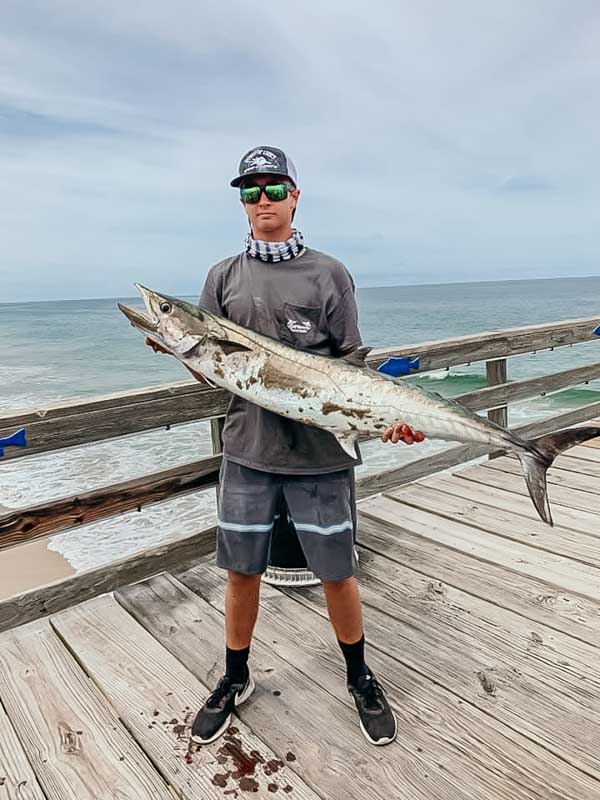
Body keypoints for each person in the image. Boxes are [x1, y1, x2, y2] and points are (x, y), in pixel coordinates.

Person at [146, 145, 425, 747]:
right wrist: (177, 346)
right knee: (241, 572)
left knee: (336, 572)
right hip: (248, 451)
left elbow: (353, 364)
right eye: (250, 191)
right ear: (241, 202)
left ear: (295, 195)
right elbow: (215, 371)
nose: (263, 199)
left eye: (274, 188)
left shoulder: (329, 273)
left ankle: (359, 677)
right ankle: (234, 676)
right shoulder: (221, 277)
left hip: (321, 457)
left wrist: (386, 419)